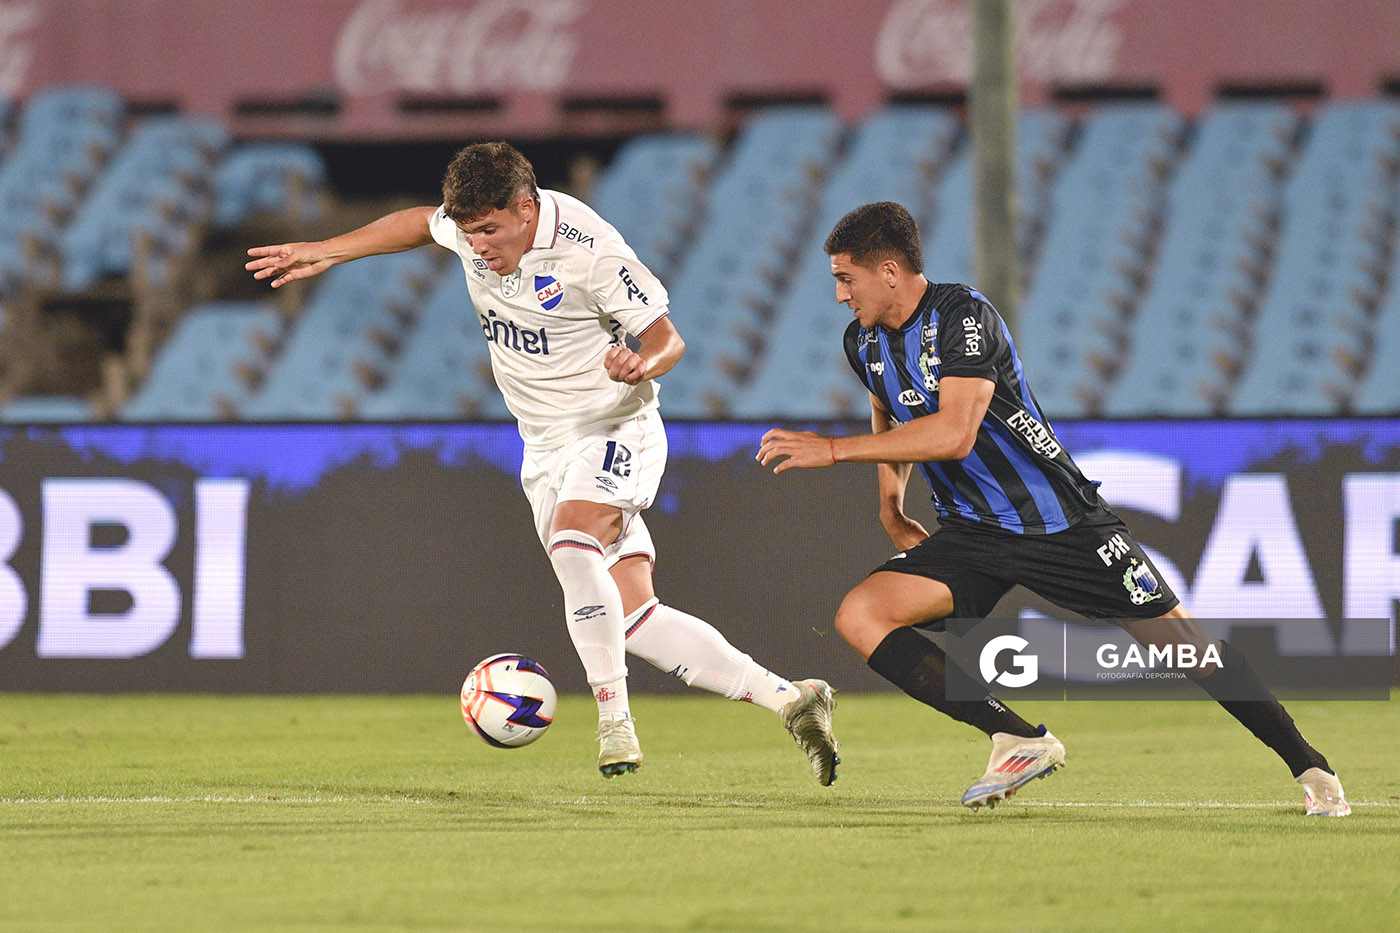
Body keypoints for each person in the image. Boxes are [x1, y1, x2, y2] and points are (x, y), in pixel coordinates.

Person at [247, 141, 839, 784]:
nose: (476, 245)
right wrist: (325, 251)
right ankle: (793, 699)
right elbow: (420, 222)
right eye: (468, 232)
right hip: (544, 445)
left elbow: (669, 338)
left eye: (489, 230)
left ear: (526, 209)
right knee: (634, 618)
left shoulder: (591, 250)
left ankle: (616, 724)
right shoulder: (469, 227)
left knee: (572, 540)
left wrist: (641, 362)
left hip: (616, 426)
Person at [756, 200, 1349, 815]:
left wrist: (830, 451)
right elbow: (889, 405)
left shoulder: (963, 317)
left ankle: (1313, 770)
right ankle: (1016, 738)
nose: (839, 295)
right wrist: (890, 503)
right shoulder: (864, 342)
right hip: (973, 530)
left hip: (1058, 520)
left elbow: (954, 432)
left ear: (888, 270)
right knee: (862, 615)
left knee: (1184, 648)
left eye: (845, 278)